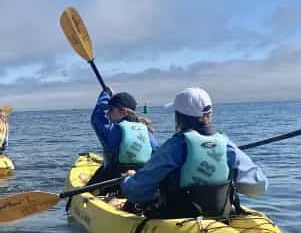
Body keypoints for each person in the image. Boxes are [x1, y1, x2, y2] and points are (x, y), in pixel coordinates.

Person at [121, 87, 268, 219]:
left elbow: (137, 192)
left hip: (178, 219)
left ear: (178, 117)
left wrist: (129, 180)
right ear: (209, 115)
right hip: (219, 217)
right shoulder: (227, 145)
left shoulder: (174, 146)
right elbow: (258, 186)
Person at [88, 87, 159, 190]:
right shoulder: (146, 131)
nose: (107, 114)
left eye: (111, 110)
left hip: (112, 182)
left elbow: (97, 117)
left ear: (124, 112)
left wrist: (106, 94)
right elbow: (157, 155)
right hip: (141, 182)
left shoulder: (113, 131)